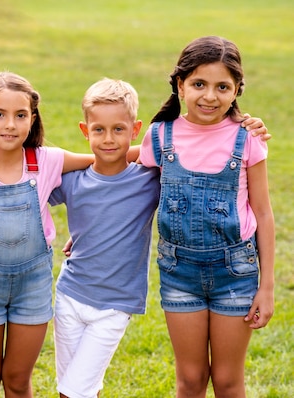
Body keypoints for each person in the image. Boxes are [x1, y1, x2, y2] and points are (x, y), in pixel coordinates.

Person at [0, 71, 103, 398]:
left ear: (32, 120)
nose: (10, 124)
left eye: (20, 115)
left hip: (33, 286)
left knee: (17, 379)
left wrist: (160, 150)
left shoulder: (47, 161)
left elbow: (104, 159)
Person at [139, 36, 275, 397]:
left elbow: (263, 212)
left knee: (229, 382)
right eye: (199, 84)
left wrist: (267, 286)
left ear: (237, 91)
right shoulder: (158, 137)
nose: (210, 96)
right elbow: (126, 190)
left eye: (222, 87)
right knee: (190, 379)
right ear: (180, 85)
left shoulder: (247, 139)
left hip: (236, 273)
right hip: (178, 272)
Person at [48, 78, 161, 398]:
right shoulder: (72, 181)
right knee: (73, 387)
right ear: (85, 130)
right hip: (69, 295)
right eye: (99, 130)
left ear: (135, 129)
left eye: (119, 130)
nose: (108, 139)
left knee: (75, 391)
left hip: (115, 305)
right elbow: (30, 181)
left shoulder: (148, 180)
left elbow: (190, 149)